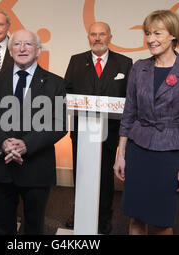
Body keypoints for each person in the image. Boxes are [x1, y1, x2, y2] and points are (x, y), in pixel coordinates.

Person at [113, 10, 179, 235]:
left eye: (157, 33)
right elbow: (129, 114)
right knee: (136, 217)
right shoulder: (139, 67)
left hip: (169, 154)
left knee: (162, 222)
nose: (150, 39)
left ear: (173, 35)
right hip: (138, 150)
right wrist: (121, 154)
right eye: (147, 33)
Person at [0, 29, 67, 235]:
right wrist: (3, 143)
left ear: (38, 50)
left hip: (36, 166)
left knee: (34, 227)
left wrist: (27, 144)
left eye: (28, 44)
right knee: (1, 226)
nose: (22, 48)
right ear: (10, 51)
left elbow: (59, 123)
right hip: (3, 164)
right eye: (17, 44)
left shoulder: (56, 83)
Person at [64, 22, 133, 234]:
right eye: (93, 34)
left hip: (110, 132)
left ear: (110, 37)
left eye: (102, 34)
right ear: (88, 37)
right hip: (82, 131)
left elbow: (129, 98)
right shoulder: (76, 61)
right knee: (81, 174)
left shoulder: (124, 63)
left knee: (105, 178)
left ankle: (104, 218)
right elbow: (66, 92)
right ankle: (81, 214)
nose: (97, 38)